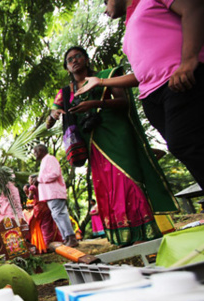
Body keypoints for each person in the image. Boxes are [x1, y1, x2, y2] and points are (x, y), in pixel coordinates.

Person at [48, 46, 178, 246]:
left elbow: (123, 102)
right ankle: (125, 237)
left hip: (116, 134)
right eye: (69, 59)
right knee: (107, 185)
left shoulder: (106, 76)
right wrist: (54, 115)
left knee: (127, 180)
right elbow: (50, 120)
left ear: (86, 59)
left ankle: (145, 234)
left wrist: (95, 105)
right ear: (67, 68)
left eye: (78, 56)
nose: (74, 60)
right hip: (93, 141)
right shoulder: (66, 92)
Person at [75, 0, 204, 188]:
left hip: (180, 82)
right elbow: (142, 74)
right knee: (187, 149)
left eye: (105, 2)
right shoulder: (130, 27)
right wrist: (101, 82)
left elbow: (194, 8)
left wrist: (188, 60)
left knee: (186, 143)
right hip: (153, 99)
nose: (105, 9)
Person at [33, 144, 78, 247]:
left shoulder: (49, 158)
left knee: (60, 214)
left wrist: (39, 179)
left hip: (55, 193)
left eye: (36, 151)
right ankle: (66, 238)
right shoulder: (45, 161)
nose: (34, 154)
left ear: (42, 151)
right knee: (56, 215)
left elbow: (55, 173)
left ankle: (71, 237)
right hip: (50, 194)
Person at [26, 174, 62, 253]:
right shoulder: (43, 186)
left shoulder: (32, 187)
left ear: (32, 180)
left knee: (41, 226)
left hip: (39, 207)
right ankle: (48, 243)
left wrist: (27, 194)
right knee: (47, 225)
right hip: (47, 206)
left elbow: (30, 198)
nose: (28, 181)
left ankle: (45, 246)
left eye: (29, 179)